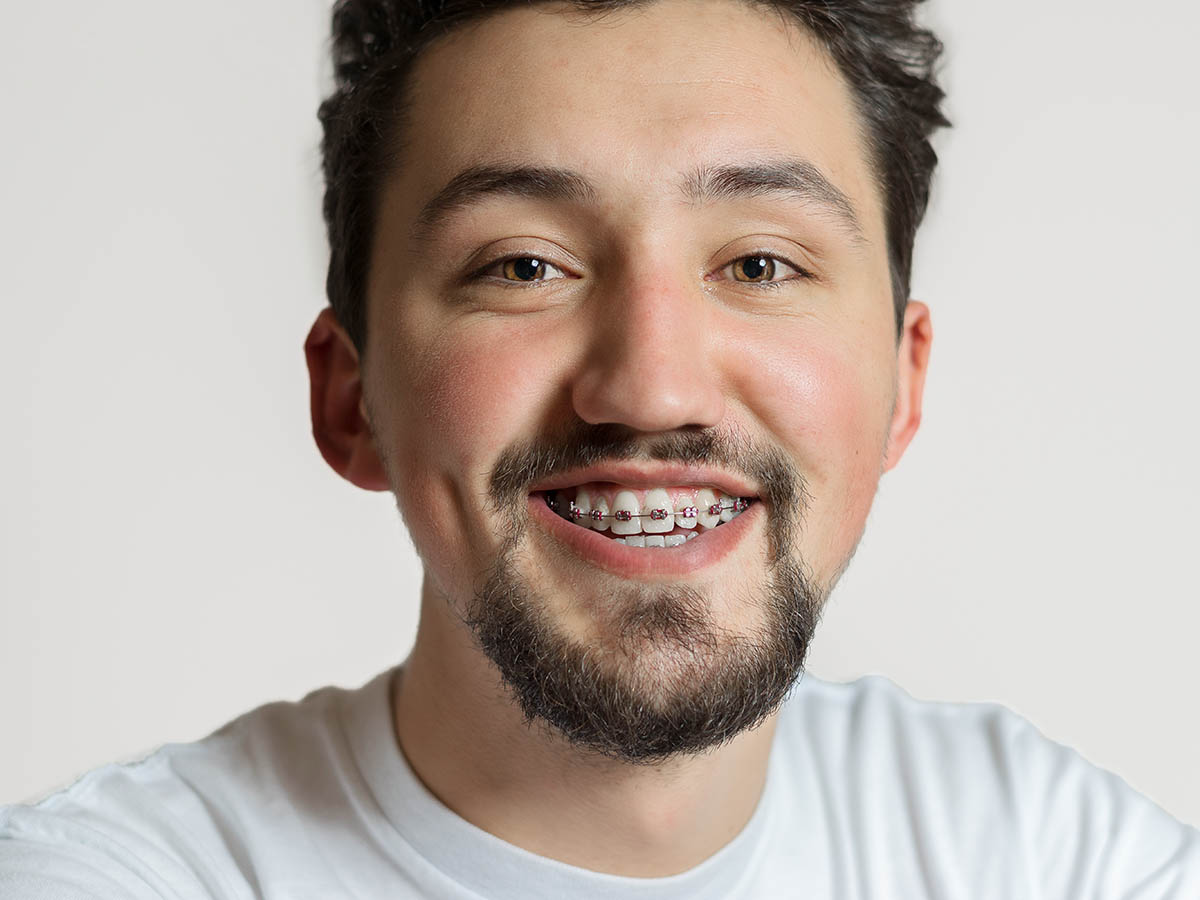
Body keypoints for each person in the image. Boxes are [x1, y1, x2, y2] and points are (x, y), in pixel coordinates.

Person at [2, 0, 1197, 896]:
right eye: (524, 266)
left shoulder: (1050, 857)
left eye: (760, 264)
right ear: (353, 399)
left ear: (901, 386)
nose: (650, 386)